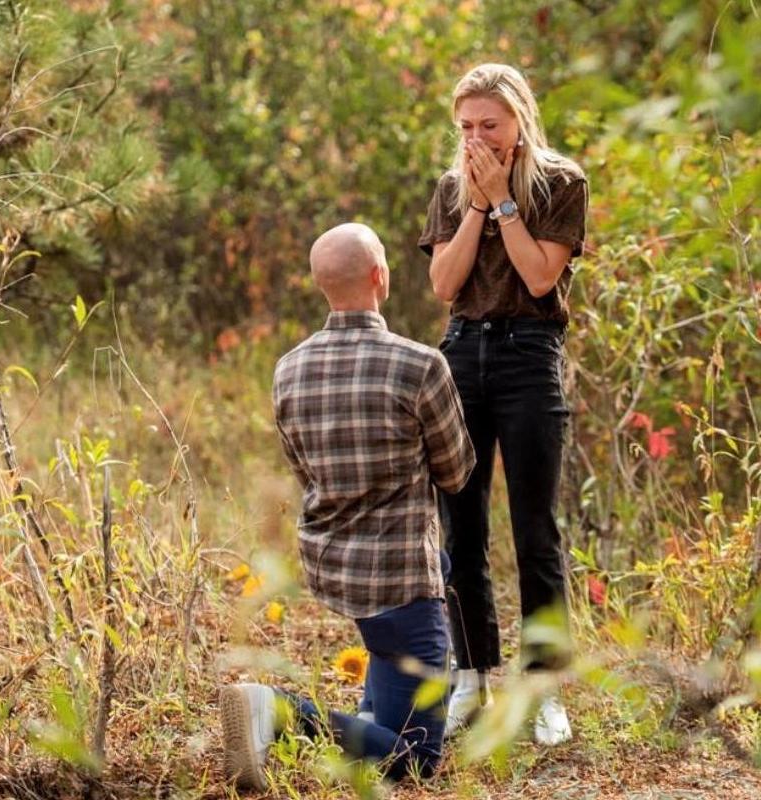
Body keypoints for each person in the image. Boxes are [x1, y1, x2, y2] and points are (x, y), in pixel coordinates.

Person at [219, 223, 475, 790]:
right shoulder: (421, 364)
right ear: (380, 276)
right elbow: (457, 473)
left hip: (337, 570)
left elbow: (302, 469)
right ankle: (278, 711)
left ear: (321, 286)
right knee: (415, 759)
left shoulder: (288, 368)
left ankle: (366, 722)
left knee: (400, 663)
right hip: (401, 579)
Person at [418, 63, 588, 744]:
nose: (477, 137)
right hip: (461, 353)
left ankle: (544, 689)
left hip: (528, 354)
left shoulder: (560, 182)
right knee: (460, 526)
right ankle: (471, 675)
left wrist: (508, 204)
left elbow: (542, 277)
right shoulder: (452, 189)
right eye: (466, 126)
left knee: (535, 531)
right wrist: (479, 205)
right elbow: (444, 283)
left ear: (519, 118)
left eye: (489, 123)